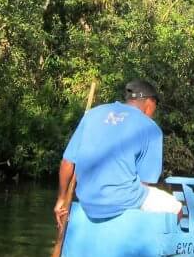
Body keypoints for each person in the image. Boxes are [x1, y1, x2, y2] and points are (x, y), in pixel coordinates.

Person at [53, 80, 181, 227]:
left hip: (87, 200)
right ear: (149, 102)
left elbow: (67, 162)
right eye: (155, 106)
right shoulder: (151, 129)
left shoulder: (92, 114)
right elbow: (145, 183)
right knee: (176, 208)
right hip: (122, 201)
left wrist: (61, 199)